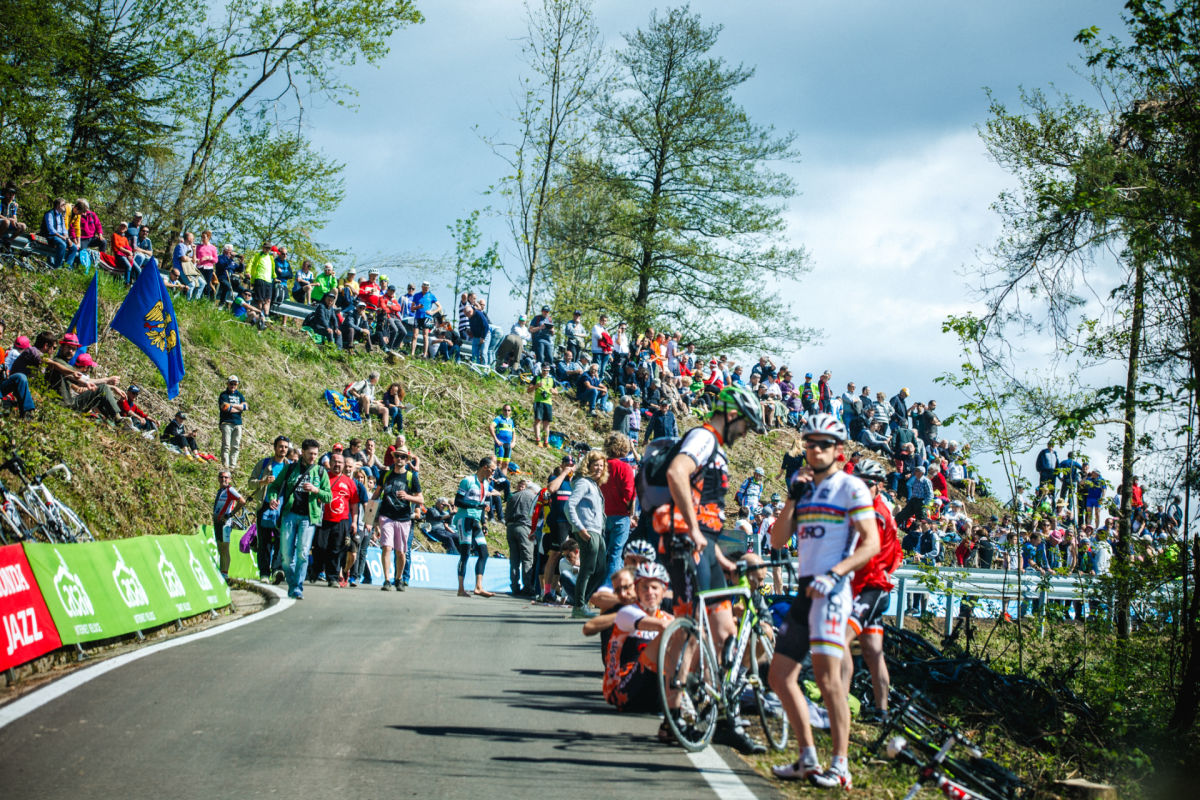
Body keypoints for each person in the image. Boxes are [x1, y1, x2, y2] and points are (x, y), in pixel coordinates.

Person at [647, 384, 767, 754]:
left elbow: (706, 510)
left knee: (725, 632)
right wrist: (695, 530)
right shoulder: (703, 438)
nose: (745, 433)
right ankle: (674, 714)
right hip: (686, 544)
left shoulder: (715, 447)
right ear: (731, 415)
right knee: (691, 629)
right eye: (745, 424)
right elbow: (677, 473)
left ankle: (726, 718)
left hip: (705, 547)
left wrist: (718, 554)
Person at [768, 413, 880, 789]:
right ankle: (807, 757)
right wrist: (791, 498)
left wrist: (835, 573)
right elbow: (777, 541)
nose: (815, 450)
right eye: (810, 444)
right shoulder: (804, 489)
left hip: (832, 591)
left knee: (829, 681)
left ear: (838, 450)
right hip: (804, 590)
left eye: (824, 444)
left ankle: (841, 765)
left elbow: (871, 543)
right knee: (779, 676)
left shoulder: (851, 488)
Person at [839, 460, 901, 719]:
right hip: (872, 587)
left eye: (867, 484)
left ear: (879, 486)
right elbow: (897, 553)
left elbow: (867, 553)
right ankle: (881, 711)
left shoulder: (874, 514)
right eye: (857, 483)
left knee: (840, 641)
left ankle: (838, 706)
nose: (861, 489)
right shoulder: (875, 509)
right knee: (873, 653)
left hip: (871, 588)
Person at [602, 562, 674, 722]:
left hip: (653, 693)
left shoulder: (668, 618)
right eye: (644, 587)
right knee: (671, 634)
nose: (650, 592)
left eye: (655, 587)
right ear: (636, 590)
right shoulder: (627, 612)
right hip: (622, 690)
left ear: (663, 591)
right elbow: (664, 626)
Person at [265, 439, 332, 600]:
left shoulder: (320, 471)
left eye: (315, 454)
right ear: (302, 452)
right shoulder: (290, 469)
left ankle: (297, 587)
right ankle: (292, 582)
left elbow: (328, 496)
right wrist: (273, 498)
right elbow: (274, 487)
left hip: (308, 518)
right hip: (289, 515)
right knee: (286, 556)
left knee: (302, 553)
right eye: (310, 454)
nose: (313, 457)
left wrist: (316, 490)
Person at [566, 450, 609, 619]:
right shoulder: (583, 483)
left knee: (601, 570)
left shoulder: (593, 485)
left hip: (597, 531)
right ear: (588, 465)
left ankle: (581, 602)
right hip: (588, 530)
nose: (599, 468)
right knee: (588, 569)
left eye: (602, 465)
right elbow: (569, 506)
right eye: (595, 465)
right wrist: (579, 528)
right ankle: (579, 605)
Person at [374, 447, 423, 591]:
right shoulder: (386, 474)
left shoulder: (411, 477)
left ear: (407, 460)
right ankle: (386, 580)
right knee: (386, 547)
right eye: (397, 456)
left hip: (403, 518)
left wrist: (407, 497)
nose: (399, 459)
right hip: (386, 516)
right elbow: (377, 493)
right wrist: (369, 514)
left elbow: (420, 499)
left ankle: (399, 578)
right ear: (394, 458)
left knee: (401, 552)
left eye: (403, 457)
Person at [454, 455, 500, 598]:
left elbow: (482, 506)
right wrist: (476, 506)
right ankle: (461, 589)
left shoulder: (486, 484)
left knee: (484, 553)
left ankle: (478, 587)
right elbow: (458, 501)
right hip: (464, 519)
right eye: (492, 470)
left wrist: (484, 523)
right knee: (465, 553)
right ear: (485, 467)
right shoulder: (467, 481)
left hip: (475, 521)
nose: (494, 473)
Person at [250, 436, 291, 583]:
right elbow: (250, 483)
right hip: (265, 506)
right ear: (274, 448)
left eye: (285, 447)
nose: (283, 449)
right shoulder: (264, 464)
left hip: (282, 509)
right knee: (264, 542)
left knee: (281, 541)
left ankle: (277, 570)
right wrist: (263, 481)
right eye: (280, 446)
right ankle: (264, 573)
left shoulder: (290, 466)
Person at [601, 433, 637, 584]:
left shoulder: (600, 466)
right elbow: (630, 495)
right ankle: (610, 588)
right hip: (620, 515)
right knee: (616, 554)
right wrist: (631, 514)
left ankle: (598, 587)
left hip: (602, 516)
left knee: (603, 554)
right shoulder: (625, 467)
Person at [505, 476, 539, 596]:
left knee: (514, 559)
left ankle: (514, 586)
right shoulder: (533, 497)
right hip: (525, 527)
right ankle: (527, 587)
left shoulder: (513, 496)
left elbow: (506, 513)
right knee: (527, 558)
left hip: (510, 527)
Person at [211, 470, 245, 582]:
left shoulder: (230, 490)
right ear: (218, 478)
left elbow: (242, 501)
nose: (223, 479)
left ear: (230, 479)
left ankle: (224, 574)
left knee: (224, 548)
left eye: (226, 477)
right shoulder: (220, 491)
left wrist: (230, 514)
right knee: (220, 548)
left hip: (225, 523)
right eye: (221, 477)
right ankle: (222, 572)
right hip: (217, 522)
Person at [218, 376, 247, 469]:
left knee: (236, 446)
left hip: (238, 423)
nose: (233, 386)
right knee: (226, 445)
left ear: (237, 385)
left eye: (235, 384)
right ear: (227, 384)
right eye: (231, 383)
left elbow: (245, 406)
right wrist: (239, 407)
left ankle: (232, 466)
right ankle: (225, 466)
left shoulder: (239, 395)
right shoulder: (223, 395)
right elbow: (226, 408)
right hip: (226, 423)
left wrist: (232, 405)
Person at [528, 363, 558, 448]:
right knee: (538, 421)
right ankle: (538, 440)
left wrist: (553, 391)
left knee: (547, 423)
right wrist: (536, 386)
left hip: (548, 402)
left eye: (547, 370)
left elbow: (556, 392)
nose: (546, 372)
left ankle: (546, 441)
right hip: (539, 401)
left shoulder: (551, 379)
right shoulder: (536, 378)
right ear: (541, 369)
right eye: (544, 370)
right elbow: (528, 390)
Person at [248, 242, 276, 318]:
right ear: (263, 248)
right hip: (259, 278)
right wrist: (248, 272)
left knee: (268, 300)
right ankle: (259, 315)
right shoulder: (258, 255)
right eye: (266, 248)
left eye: (269, 248)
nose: (267, 250)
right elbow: (251, 263)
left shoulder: (271, 257)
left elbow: (272, 268)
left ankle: (266, 316)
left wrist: (274, 276)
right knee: (260, 300)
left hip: (269, 281)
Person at [490, 404, 516, 471]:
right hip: (500, 443)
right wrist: (496, 439)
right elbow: (491, 427)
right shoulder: (499, 418)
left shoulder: (511, 421)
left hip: (508, 444)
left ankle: (503, 477)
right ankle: (495, 476)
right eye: (505, 410)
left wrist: (513, 442)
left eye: (508, 410)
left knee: (506, 464)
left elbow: (513, 432)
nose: (507, 412)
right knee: (499, 462)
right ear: (502, 411)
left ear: (510, 411)